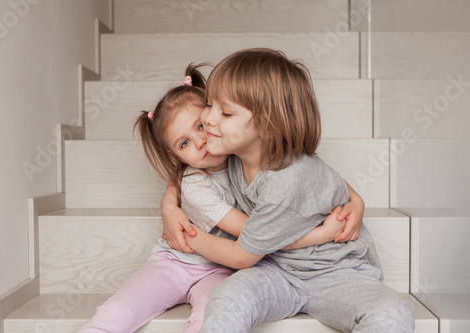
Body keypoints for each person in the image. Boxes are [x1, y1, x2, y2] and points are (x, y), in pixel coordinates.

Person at [78, 64, 348, 333]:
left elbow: (310, 174)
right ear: (176, 156)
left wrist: (355, 202)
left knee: (211, 319)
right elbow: (255, 233)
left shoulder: (241, 155)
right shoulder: (196, 186)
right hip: (176, 262)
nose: (199, 142)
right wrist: (320, 235)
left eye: (199, 127)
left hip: (222, 269)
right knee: (119, 311)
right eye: (184, 143)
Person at [161, 49, 415, 333]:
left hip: (334, 274)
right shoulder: (235, 149)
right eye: (209, 105)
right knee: (227, 297)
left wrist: (185, 236)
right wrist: (169, 207)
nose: (207, 118)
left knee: (392, 314)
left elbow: (241, 256)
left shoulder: (286, 181)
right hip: (275, 270)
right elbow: (186, 171)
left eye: (226, 112)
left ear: (267, 127)